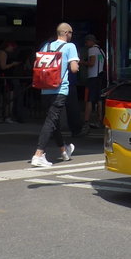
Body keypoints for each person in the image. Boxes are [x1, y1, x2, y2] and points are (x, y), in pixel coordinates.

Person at [29, 23, 82, 168]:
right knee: (50, 121)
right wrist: (76, 63)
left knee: (54, 121)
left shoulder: (45, 46)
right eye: (70, 32)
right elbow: (74, 69)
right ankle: (38, 154)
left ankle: (64, 151)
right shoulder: (70, 47)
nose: (71, 35)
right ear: (65, 33)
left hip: (44, 89)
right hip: (60, 89)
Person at [81, 33, 107, 134]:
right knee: (99, 100)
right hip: (100, 77)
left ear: (91, 42)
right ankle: (100, 120)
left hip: (92, 78)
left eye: (87, 41)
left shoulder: (91, 50)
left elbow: (92, 63)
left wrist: (82, 62)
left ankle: (86, 122)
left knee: (89, 100)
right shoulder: (101, 51)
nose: (86, 44)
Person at [0, 41, 23, 123]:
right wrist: (13, 64)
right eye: (12, 47)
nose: (13, 49)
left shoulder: (2, 53)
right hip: (5, 77)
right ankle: (5, 116)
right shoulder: (3, 53)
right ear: (8, 46)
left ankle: (2, 116)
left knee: (5, 98)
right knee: (8, 98)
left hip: (5, 77)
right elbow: (3, 67)